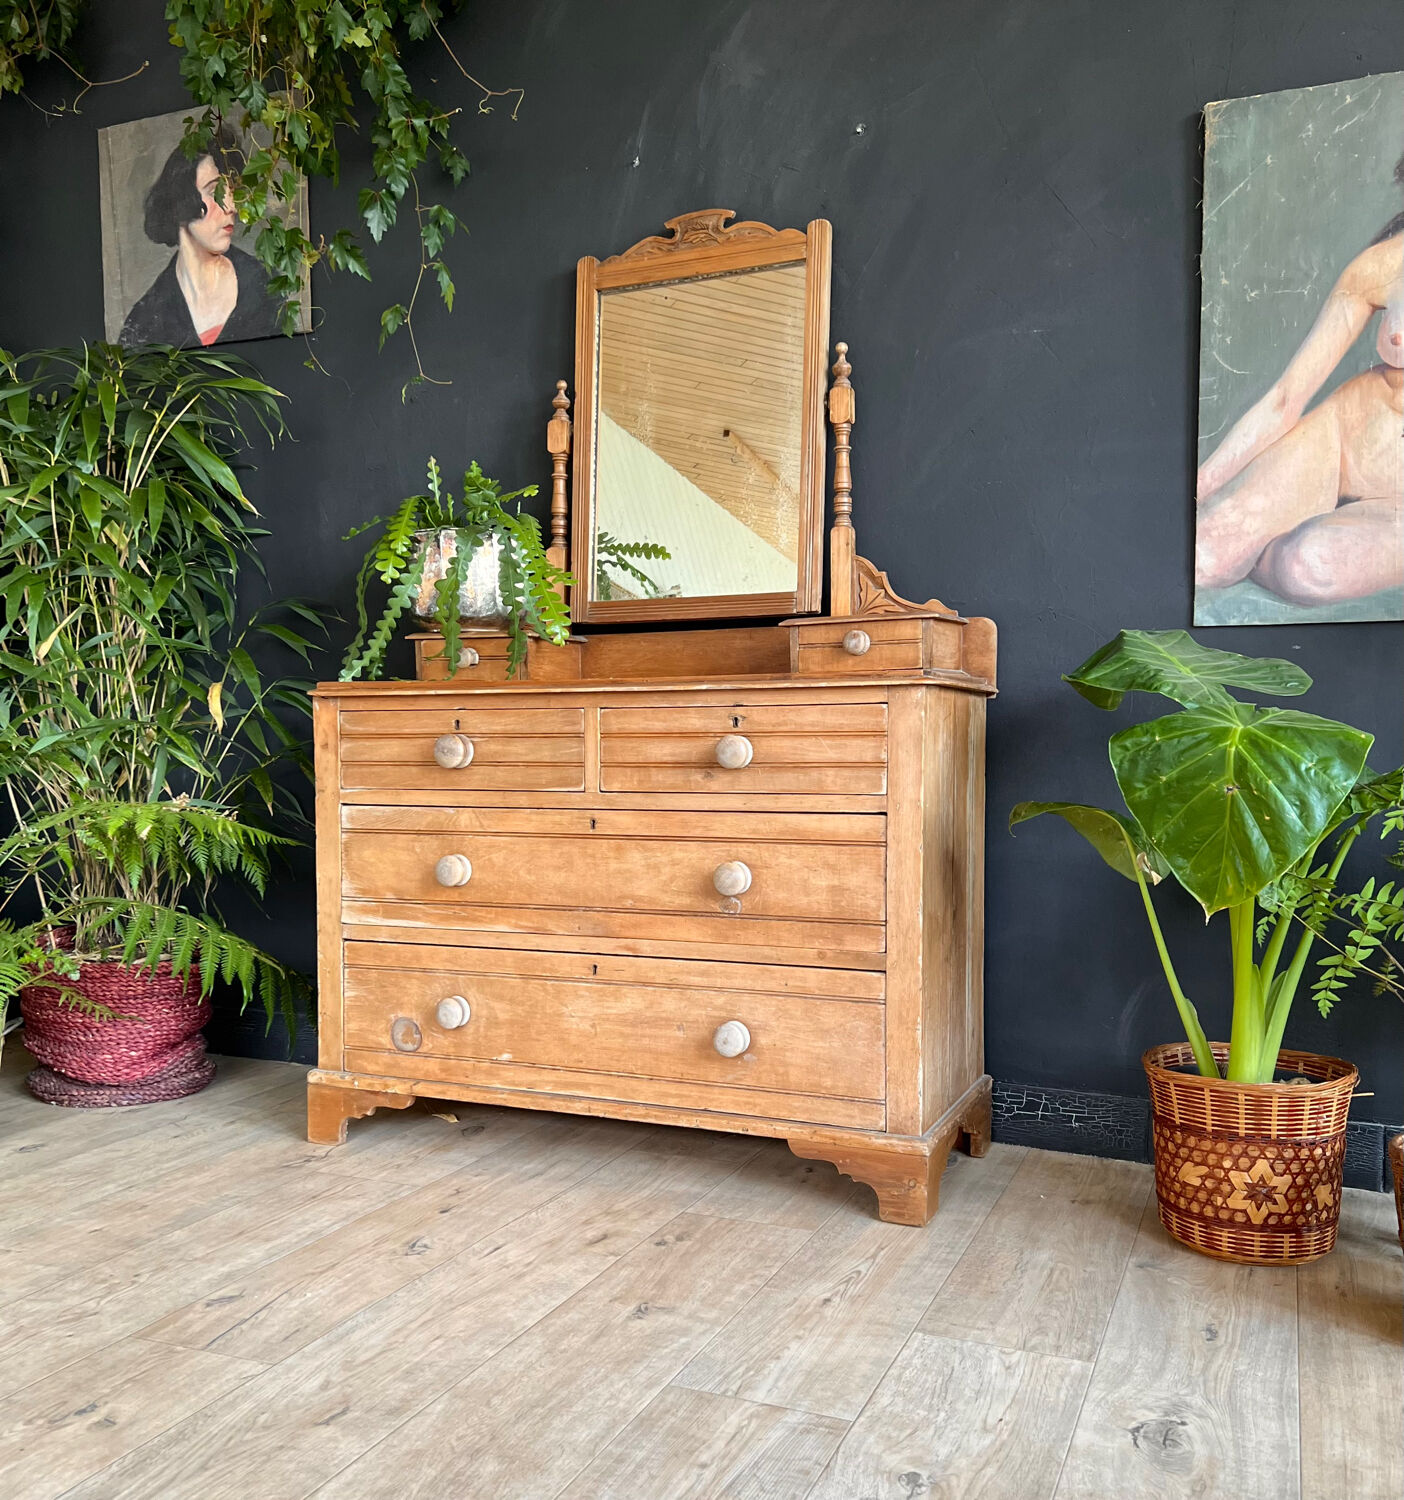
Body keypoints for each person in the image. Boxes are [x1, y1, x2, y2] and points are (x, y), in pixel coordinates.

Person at [1195, 154, 1404, 605]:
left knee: (1307, 566)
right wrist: (1198, 486)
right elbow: (1286, 398)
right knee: (1204, 555)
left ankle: (1316, 531)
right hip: (1343, 441)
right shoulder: (1382, 264)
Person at [119, 126, 282, 348]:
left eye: (233, 190)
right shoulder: (145, 320)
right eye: (215, 191)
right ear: (181, 201)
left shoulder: (264, 285)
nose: (232, 206)